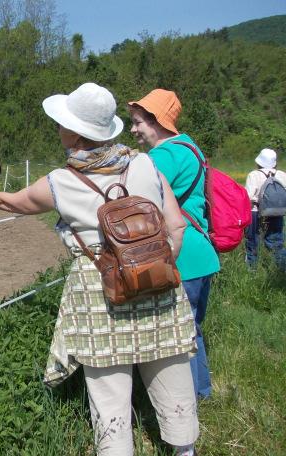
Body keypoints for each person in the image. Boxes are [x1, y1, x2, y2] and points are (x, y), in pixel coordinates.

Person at [0, 82, 198, 456]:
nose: (58, 129)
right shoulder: (146, 164)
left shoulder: (61, 182)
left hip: (99, 292)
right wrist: (155, 264)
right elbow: (177, 225)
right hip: (158, 283)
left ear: (76, 132)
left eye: (61, 123)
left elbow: (13, 203)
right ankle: (184, 449)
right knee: (171, 373)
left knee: (109, 394)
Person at [128, 89, 220, 401]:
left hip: (182, 257)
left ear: (157, 121)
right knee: (193, 329)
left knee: (179, 335)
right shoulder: (190, 147)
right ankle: (202, 392)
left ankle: (187, 403)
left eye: (138, 122)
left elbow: (133, 200)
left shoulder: (163, 156)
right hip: (202, 254)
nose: (134, 129)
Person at [244, 148, 286, 269]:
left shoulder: (254, 175)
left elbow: (248, 196)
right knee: (276, 242)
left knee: (253, 241)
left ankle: (252, 269)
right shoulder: (282, 174)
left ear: (259, 162)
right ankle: (281, 269)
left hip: (255, 211)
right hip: (276, 211)